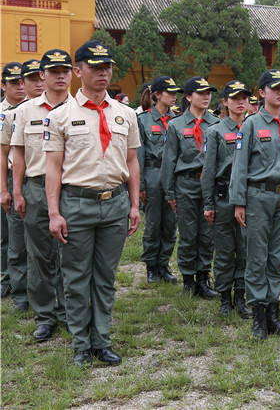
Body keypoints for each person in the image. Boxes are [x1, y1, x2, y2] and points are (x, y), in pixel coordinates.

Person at [43, 40, 141, 366]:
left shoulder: (125, 114)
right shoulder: (59, 117)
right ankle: (80, 344)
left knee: (105, 278)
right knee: (75, 278)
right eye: (95, 66)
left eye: (107, 66)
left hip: (114, 204)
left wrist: (134, 204)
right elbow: (53, 169)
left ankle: (101, 341)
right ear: (78, 71)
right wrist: (54, 212)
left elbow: (132, 163)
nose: (103, 72)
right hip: (77, 205)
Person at [229, 69, 280, 339]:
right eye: (275, 88)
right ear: (261, 92)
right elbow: (239, 166)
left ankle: (274, 313)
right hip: (258, 196)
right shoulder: (251, 124)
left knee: (278, 257)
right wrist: (238, 201)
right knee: (257, 256)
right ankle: (259, 316)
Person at [9, 50, 72, 341]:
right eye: (54, 71)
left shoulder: (82, 109)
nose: (61, 76)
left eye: (66, 71)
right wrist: (17, 191)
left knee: (70, 255)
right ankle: (45, 316)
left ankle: (69, 312)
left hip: (72, 188)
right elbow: (18, 153)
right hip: (35, 187)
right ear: (42, 76)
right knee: (38, 255)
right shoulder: (26, 110)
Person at [160, 76, 220, 299]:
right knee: (188, 233)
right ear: (188, 97)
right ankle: (188, 280)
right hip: (185, 184)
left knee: (207, 234)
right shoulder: (176, 125)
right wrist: (170, 192)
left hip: (210, 184)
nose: (206, 97)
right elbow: (169, 161)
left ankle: (203, 279)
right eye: (200, 93)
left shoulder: (215, 123)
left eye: (209, 93)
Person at [201, 80, 252, 318]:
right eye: (235, 98)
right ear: (225, 102)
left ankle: (241, 296)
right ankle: (224, 297)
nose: (241, 102)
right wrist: (208, 204)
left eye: (245, 98)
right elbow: (209, 171)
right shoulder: (215, 131)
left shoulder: (252, 127)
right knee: (223, 250)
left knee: (244, 250)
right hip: (224, 200)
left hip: (249, 200)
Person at [1, 59, 45, 311]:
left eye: (41, 78)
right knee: (16, 241)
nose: (38, 84)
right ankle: (20, 294)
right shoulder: (12, 114)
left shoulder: (58, 110)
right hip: (19, 180)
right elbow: (3, 152)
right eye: (32, 80)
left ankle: (48, 293)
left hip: (46, 182)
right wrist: (6, 190)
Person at [137, 76, 181, 284]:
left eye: (175, 93)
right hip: (152, 174)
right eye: (169, 92)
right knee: (153, 223)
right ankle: (151, 266)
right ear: (157, 95)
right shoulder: (143, 120)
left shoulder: (177, 120)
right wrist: (140, 185)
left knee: (170, 224)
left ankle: (164, 264)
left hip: (173, 177)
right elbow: (138, 154)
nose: (173, 96)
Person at [0, 61, 25, 300]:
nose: (20, 86)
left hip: (29, 176)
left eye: (22, 81)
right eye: (13, 82)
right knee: (6, 234)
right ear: (3, 85)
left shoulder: (34, 109)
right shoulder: (2, 113)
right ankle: (6, 277)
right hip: (6, 175)